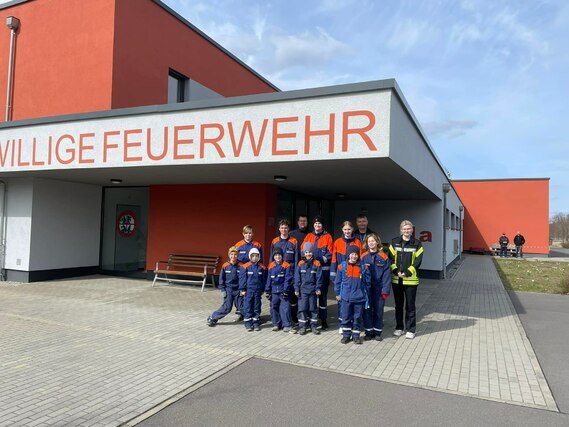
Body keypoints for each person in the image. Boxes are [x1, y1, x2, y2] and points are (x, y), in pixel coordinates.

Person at [388, 220, 423, 339]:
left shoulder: (417, 244)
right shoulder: (394, 242)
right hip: (397, 279)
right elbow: (391, 259)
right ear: (401, 230)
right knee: (398, 305)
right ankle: (399, 328)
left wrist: (407, 272)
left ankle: (411, 329)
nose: (407, 231)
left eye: (409, 229)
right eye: (404, 229)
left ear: (412, 230)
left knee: (410, 306)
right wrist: (396, 271)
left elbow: (418, 262)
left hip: (411, 281)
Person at [302, 215, 333, 329]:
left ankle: (323, 319)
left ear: (322, 225)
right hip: (310, 271)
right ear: (313, 225)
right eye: (315, 223)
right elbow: (302, 250)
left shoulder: (328, 237)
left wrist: (318, 259)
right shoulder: (309, 236)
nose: (317, 225)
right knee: (311, 296)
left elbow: (330, 253)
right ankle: (312, 319)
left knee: (323, 296)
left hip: (323, 271)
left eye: (319, 223)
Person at [335, 245, 370, 345]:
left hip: (359, 298)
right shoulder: (342, 266)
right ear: (348, 255)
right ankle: (346, 335)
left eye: (355, 254)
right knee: (345, 317)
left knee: (357, 318)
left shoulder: (363, 267)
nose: (354, 256)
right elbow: (337, 282)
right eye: (352, 254)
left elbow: (367, 282)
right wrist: (337, 294)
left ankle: (356, 336)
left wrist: (365, 295)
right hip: (346, 298)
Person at [331, 221, 363, 332]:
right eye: (345, 229)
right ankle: (342, 325)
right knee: (342, 302)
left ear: (352, 230)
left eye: (349, 229)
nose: (347, 231)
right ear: (342, 230)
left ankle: (354, 325)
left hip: (354, 274)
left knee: (353, 304)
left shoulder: (357, 242)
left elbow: (361, 258)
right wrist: (333, 273)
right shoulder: (338, 242)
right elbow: (334, 259)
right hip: (342, 273)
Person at [362, 234, 391, 341]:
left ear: (377, 242)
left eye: (373, 241)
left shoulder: (384, 257)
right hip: (367, 289)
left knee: (379, 310)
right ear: (367, 243)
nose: (371, 243)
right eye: (369, 241)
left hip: (379, 289)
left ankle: (378, 332)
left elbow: (387, 275)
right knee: (367, 310)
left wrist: (385, 290)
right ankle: (369, 332)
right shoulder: (363, 256)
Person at [270, 219, 300, 323]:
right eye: (282, 227)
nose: (284, 229)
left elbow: (296, 259)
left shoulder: (294, 241)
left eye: (286, 227)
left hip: (290, 274)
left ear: (288, 229)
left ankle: (293, 317)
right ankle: (279, 320)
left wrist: (296, 274)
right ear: (279, 229)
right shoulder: (274, 241)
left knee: (291, 298)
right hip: (277, 275)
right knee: (277, 299)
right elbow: (271, 259)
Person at [206, 246, 242, 327]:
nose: (233, 256)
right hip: (228, 289)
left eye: (235, 254)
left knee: (242, 307)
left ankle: (252, 318)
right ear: (229, 255)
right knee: (227, 307)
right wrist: (222, 290)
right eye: (231, 254)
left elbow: (243, 279)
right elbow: (221, 279)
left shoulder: (241, 265)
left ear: (238, 255)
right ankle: (212, 318)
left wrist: (242, 290)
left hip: (238, 290)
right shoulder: (225, 266)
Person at [294, 242, 322, 335]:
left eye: (310, 252)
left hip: (313, 291)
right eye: (306, 252)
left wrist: (318, 288)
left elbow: (319, 278)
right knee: (302, 309)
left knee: (313, 308)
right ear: (303, 253)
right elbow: (297, 278)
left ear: (312, 252)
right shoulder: (300, 263)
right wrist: (296, 289)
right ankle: (303, 327)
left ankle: (313, 326)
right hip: (303, 291)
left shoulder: (317, 263)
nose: (308, 254)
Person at [265, 247, 294, 332]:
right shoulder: (271, 266)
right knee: (274, 307)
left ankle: (287, 325)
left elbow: (288, 279)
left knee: (285, 307)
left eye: (279, 255)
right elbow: (269, 279)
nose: (278, 257)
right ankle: (276, 324)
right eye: (276, 255)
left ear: (282, 256)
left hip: (283, 291)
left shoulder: (286, 265)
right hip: (274, 291)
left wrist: (286, 290)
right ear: (274, 256)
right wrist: (267, 290)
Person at [239, 247, 267, 331]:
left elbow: (264, 280)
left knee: (257, 306)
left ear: (259, 257)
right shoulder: (245, 267)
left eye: (256, 256)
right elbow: (242, 279)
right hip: (248, 291)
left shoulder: (262, 267)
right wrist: (242, 290)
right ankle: (248, 323)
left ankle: (256, 322)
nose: (254, 258)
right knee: (247, 307)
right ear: (250, 256)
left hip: (258, 290)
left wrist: (262, 289)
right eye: (253, 256)